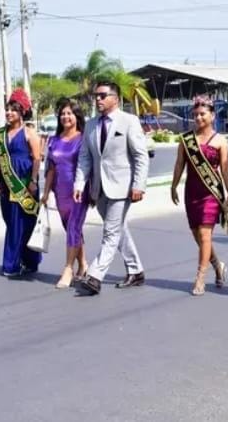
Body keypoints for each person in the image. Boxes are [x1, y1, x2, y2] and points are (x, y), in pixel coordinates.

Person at [74, 81, 149, 296]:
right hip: (99, 188)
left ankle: (95, 276)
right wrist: (80, 184)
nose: (97, 99)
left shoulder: (129, 121)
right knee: (118, 229)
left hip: (122, 187)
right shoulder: (91, 125)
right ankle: (135, 271)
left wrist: (138, 185)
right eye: (96, 96)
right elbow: (85, 158)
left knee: (110, 232)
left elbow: (141, 156)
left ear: (115, 98)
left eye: (102, 95)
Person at [171, 96, 228, 295]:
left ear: (212, 115)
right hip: (192, 192)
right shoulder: (187, 140)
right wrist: (173, 186)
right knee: (198, 236)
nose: (198, 118)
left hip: (211, 193)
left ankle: (200, 278)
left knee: (206, 234)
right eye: (195, 114)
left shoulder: (220, 140)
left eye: (202, 114)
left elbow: (225, 170)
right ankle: (217, 265)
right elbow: (179, 164)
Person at [41, 98, 90, 288]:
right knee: (72, 229)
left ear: (77, 116)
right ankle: (83, 264)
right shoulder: (53, 140)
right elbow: (51, 169)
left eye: (69, 113)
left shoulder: (83, 139)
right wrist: (46, 193)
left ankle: (68, 269)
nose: (65, 117)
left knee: (73, 228)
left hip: (79, 191)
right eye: (62, 113)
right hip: (60, 192)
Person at [0, 89, 42, 277]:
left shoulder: (29, 132)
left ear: (22, 112)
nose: (9, 113)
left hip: (24, 182)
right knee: (10, 221)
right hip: (7, 182)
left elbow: (37, 158)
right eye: (7, 110)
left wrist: (33, 180)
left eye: (13, 110)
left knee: (24, 223)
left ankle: (13, 264)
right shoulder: (0, 134)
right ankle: (24, 261)